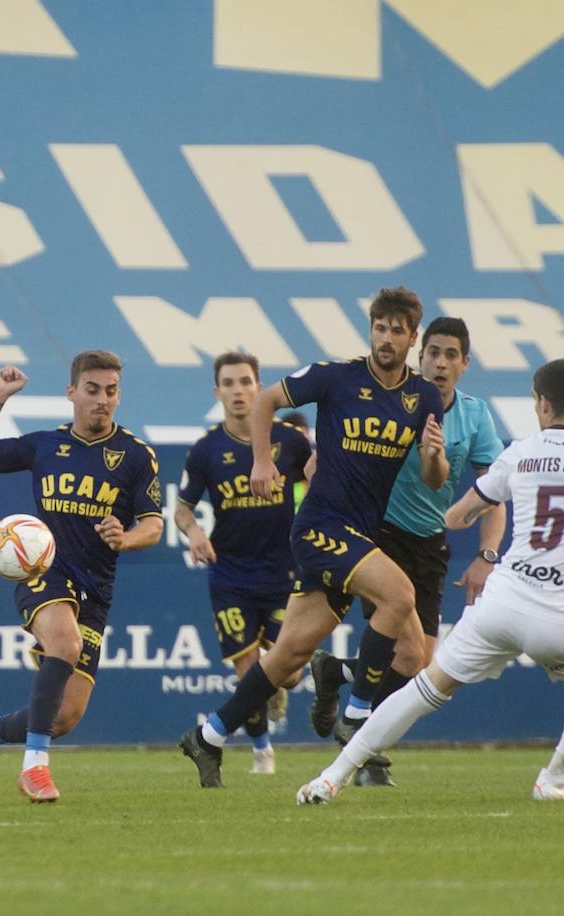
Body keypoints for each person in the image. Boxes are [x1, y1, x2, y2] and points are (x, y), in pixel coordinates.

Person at [295, 358, 564, 805]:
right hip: (561, 619)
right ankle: (558, 777)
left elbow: (456, 514)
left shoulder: (522, 452)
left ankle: (331, 777)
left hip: (500, 605)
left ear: (541, 404)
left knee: (425, 689)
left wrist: (453, 494)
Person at [179, 286, 447, 788]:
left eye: (397, 330)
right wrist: (262, 460)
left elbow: (434, 478)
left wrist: (433, 455)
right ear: (372, 329)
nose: (386, 338)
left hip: (359, 537)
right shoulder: (336, 376)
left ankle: (209, 736)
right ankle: (359, 718)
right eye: (380, 327)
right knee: (400, 595)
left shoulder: (424, 397)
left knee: (359, 657)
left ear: (413, 338)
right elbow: (267, 399)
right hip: (322, 527)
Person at [307, 316, 505, 787]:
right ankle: (365, 756)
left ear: (465, 363)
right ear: (421, 356)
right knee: (410, 651)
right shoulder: (402, 401)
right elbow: (324, 461)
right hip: (380, 535)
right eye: (433, 352)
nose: (440, 362)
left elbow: (493, 492)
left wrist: (487, 555)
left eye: (450, 354)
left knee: (420, 667)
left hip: (430, 544)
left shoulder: (475, 415)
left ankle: (335, 672)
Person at [0, 350, 163, 803]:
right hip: (43, 571)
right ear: (71, 393)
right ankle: (35, 767)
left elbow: (153, 524)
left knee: (64, 716)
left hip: (95, 590)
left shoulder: (135, 456)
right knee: (65, 645)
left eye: (110, 391)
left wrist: (126, 538)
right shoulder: (44, 446)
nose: (102, 400)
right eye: (92, 390)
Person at [174, 353, 312, 775]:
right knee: (247, 668)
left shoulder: (290, 441)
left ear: (259, 387)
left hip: (284, 574)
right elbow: (182, 509)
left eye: (245, 382)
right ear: (217, 392)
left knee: (288, 674)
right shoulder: (206, 450)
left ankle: (278, 689)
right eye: (229, 383)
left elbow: (314, 491)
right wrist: (195, 533)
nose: (238, 391)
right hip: (230, 575)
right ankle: (262, 750)